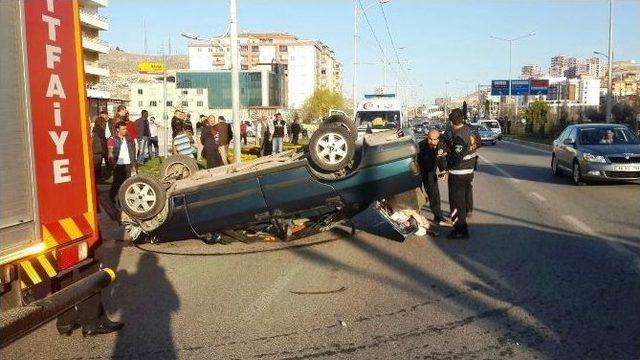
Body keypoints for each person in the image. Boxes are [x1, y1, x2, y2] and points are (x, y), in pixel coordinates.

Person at [445, 108, 477, 239]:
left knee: (456, 204)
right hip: (468, 170)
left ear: (452, 122)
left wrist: (446, 161)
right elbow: (477, 144)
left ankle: (460, 230)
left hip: (458, 173)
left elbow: (456, 159)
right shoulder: (470, 130)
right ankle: (462, 226)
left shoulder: (458, 136)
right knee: (462, 201)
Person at [417, 128, 448, 228]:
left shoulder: (441, 146)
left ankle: (438, 217)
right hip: (418, 173)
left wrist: (443, 170)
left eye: (435, 139)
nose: (432, 142)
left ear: (438, 139)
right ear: (427, 138)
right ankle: (416, 218)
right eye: (430, 139)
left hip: (430, 173)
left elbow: (442, 159)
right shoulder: (420, 146)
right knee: (417, 195)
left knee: (434, 194)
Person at [107, 121, 136, 203]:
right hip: (118, 164)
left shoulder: (129, 139)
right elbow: (110, 153)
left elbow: (132, 152)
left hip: (128, 164)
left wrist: (133, 164)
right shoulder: (112, 139)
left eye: (125, 129)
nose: (125, 130)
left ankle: (123, 200)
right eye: (123, 129)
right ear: (117, 130)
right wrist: (114, 164)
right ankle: (112, 196)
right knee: (117, 183)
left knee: (128, 183)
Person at [91, 115, 107, 182]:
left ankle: (97, 179)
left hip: (96, 151)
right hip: (97, 151)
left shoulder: (95, 130)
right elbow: (100, 142)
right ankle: (97, 179)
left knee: (97, 167)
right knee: (96, 167)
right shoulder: (99, 131)